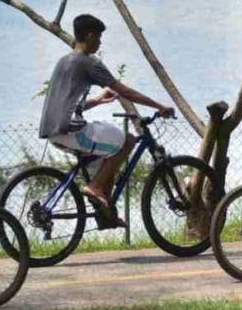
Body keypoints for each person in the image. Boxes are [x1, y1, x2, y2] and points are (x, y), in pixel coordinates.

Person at [39, 13, 174, 226]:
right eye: (99, 38)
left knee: (107, 156)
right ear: (91, 36)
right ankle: (95, 187)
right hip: (71, 131)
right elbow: (125, 92)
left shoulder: (64, 61)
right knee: (128, 141)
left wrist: (97, 101)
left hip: (53, 132)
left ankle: (105, 214)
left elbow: (67, 104)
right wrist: (159, 106)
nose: (100, 42)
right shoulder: (89, 62)